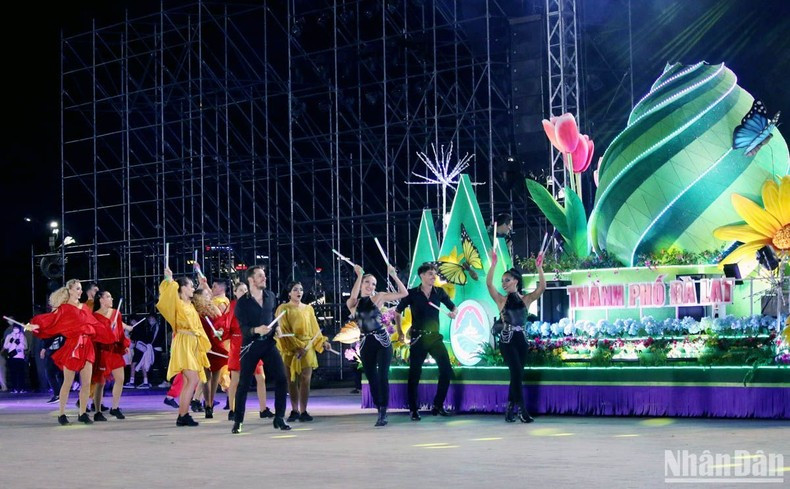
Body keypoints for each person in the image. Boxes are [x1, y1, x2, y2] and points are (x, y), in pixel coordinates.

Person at [27, 279, 116, 425]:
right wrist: (35, 326)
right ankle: (62, 414)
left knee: (86, 383)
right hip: (72, 347)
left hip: (87, 346)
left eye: (80, 288)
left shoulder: (84, 307)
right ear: (70, 290)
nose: (80, 291)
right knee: (67, 382)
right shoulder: (63, 309)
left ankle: (82, 413)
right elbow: (51, 320)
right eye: (77, 289)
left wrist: (107, 329)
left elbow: (94, 324)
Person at [486, 249, 545, 423]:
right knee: (516, 372)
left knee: (517, 375)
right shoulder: (501, 300)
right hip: (507, 340)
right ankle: (522, 410)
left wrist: (539, 267)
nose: (503, 283)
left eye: (507, 280)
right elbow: (489, 285)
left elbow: (542, 288)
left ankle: (510, 408)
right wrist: (493, 265)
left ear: (516, 281)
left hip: (522, 341)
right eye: (502, 280)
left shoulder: (526, 299)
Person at [346, 264, 408, 427]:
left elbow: (404, 293)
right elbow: (354, 296)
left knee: (382, 376)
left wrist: (394, 275)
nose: (370, 286)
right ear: (361, 283)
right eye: (367, 282)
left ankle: (383, 411)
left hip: (382, 341)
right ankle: (379, 407)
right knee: (371, 377)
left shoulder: (379, 297)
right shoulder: (353, 303)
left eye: (373, 284)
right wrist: (359, 275)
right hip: (366, 342)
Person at [231, 265, 290, 434]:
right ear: (251, 280)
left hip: (268, 344)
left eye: (264, 275)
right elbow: (243, 329)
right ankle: (238, 421)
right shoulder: (242, 303)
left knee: (281, 378)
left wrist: (277, 328)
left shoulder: (270, 296)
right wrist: (257, 330)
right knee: (244, 383)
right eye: (260, 276)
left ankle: (279, 418)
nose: (264, 278)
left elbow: (273, 317)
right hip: (251, 345)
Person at [395, 262, 457, 420]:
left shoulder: (439, 292)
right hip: (418, 338)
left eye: (434, 274)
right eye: (430, 274)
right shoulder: (412, 293)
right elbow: (397, 312)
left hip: (435, 337)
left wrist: (453, 313)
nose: (433, 277)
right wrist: (400, 332)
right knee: (414, 373)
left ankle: (438, 405)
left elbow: (453, 308)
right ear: (421, 275)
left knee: (446, 370)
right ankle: (413, 409)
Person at [156, 267, 211, 427]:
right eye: (190, 286)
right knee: (193, 379)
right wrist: (169, 280)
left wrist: (202, 283)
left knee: (189, 380)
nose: (193, 288)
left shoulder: (190, 304)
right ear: (182, 288)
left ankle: (183, 414)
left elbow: (205, 295)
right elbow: (166, 297)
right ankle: (183, 415)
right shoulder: (177, 303)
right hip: (183, 343)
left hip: (192, 343)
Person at [276, 282, 329, 422]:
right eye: (295, 290)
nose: (298, 292)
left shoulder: (308, 309)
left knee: (306, 379)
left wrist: (322, 342)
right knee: (291, 380)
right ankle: (294, 410)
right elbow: (283, 329)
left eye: (300, 289)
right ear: (289, 293)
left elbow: (315, 328)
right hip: (290, 348)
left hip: (307, 346)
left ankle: (304, 410)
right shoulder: (283, 308)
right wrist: (295, 347)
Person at [226, 281, 271, 422]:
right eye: (240, 290)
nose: (244, 292)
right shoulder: (233, 306)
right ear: (235, 292)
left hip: (253, 341)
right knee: (236, 379)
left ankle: (263, 409)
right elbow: (226, 324)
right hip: (238, 344)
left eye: (245, 289)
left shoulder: (251, 304)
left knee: (261, 377)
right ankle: (232, 409)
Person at [91, 290, 131, 421]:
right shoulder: (95, 316)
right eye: (108, 297)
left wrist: (124, 345)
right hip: (102, 351)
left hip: (114, 350)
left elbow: (120, 333)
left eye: (111, 297)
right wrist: (107, 329)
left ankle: (115, 407)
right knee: (100, 383)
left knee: (120, 379)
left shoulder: (116, 313)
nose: (111, 299)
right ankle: (97, 411)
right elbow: (95, 335)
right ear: (101, 300)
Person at [192, 283, 227, 419]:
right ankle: (207, 404)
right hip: (204, 345)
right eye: (206, 294)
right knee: (206, 377)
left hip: (216, 344)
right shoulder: (195, 312)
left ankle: (210, 403)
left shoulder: (214, 308)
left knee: (215, 377)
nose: (210, 295)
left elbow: (222, 323)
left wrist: (221, 331)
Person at [126, 314, 160, 388]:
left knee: (133, 364)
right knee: (143, 365)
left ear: (134, 320)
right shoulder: (143, 327)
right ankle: (145, 382)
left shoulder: (136, 329)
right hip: (144, 349)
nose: (131, 322)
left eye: (131, 321)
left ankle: (132, 382)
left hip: (139, 349)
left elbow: (133, 340)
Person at [3, 324, 28, 393]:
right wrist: (10, 342)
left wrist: (19, 343)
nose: (15, 329)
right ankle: (14, 388)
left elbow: (26, 347)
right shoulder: (9, 336)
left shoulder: (22, 336)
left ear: (19, 329)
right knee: (13, 373)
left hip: (20, 357)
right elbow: (5, 346)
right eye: (14, 328)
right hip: (12, 357)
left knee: (21, 373)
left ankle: (22, 388)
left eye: (17, 328)